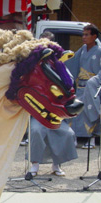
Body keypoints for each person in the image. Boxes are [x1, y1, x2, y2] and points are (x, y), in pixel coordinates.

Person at [28, 31, 78, 177]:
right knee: (36, 131)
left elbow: (69, 82)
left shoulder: (58, 63)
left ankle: (56, 165)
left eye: (48, 43)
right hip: (39, 110)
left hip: (56, 110)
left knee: (67, 133)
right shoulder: (32, 63)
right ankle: (35, 164)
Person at [65, 24, 101, 148]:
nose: (83, 37)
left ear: (94, 36)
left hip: (94, 86)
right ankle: (74, 138)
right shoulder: (82, 49)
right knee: (77, 112)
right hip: (80, 86)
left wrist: (96, 80)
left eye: (87, 35)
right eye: (83, 34)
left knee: (90, 111)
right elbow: (72, 61)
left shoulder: (99, 51)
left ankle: (90, 140)